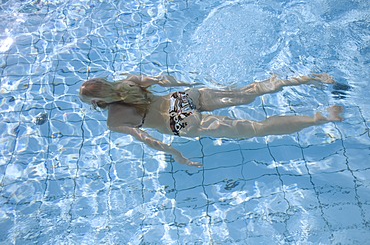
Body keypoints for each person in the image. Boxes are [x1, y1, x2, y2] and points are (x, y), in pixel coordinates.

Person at [79, 73, 343, 167]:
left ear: (95, 103)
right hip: (180, 99)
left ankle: (320, 118)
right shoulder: (129, 81)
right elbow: (166, 80)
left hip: (179, 123)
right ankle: (307, 79)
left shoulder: (113, 121)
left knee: (256, 129)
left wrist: (176, 154)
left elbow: (147, 139)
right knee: (249, 92)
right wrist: (191, 83)